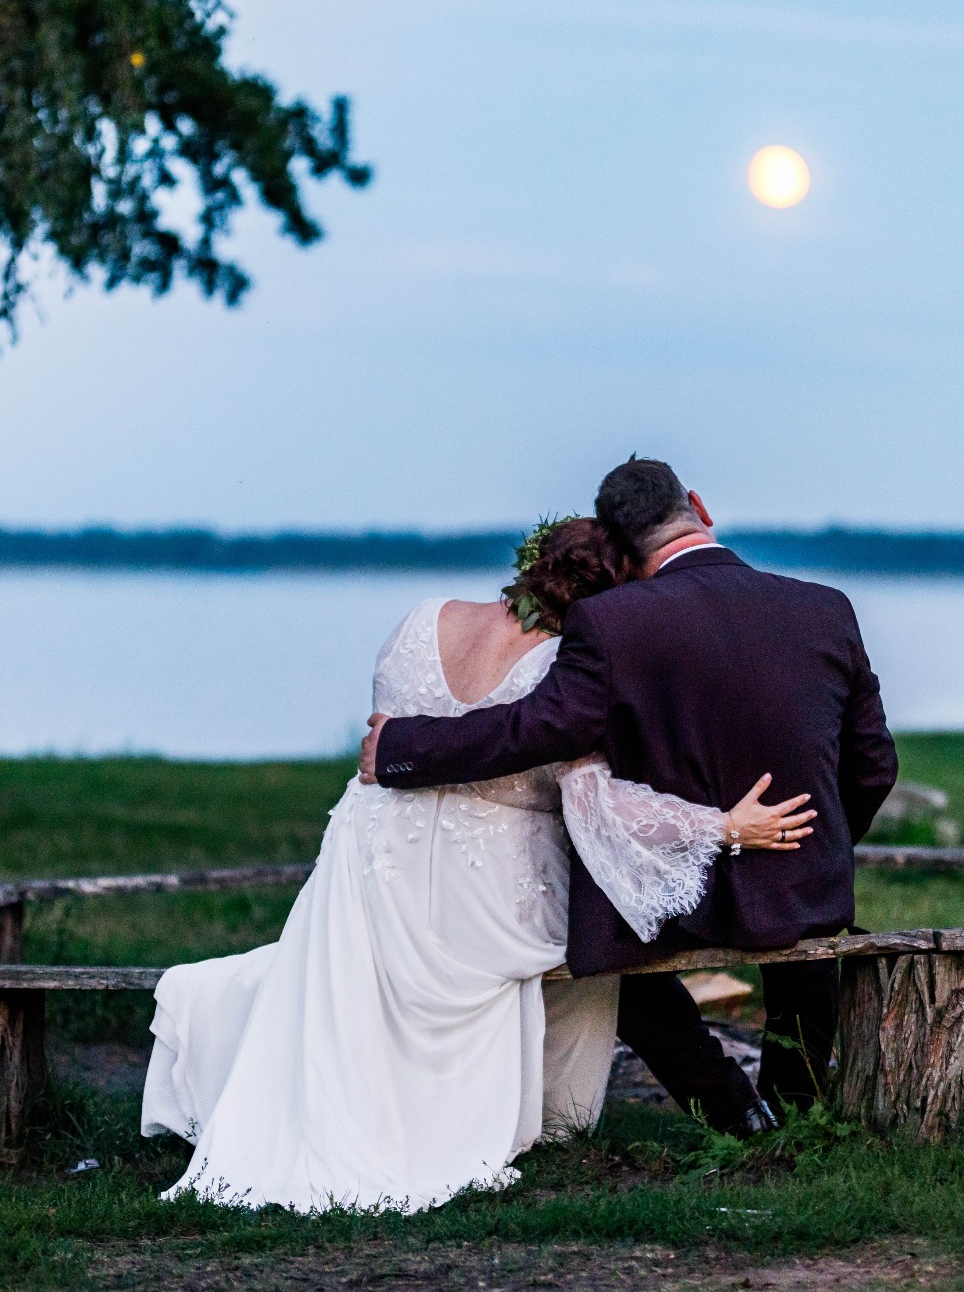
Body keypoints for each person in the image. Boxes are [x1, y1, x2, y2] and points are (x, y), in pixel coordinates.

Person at [142, 516, 815, 1213]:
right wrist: (723, 825)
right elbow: (599, 808)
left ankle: (729, 1103)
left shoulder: (421, 619)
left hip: (368, 863)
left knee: (590, 925)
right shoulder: (571, 668)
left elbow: (392, 735)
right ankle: (726, 1108)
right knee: (605, 927)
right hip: (485, 884)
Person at [364, 458, 898, 1135]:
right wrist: (812, 845)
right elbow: (874, 765)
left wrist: (402, 744)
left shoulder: (608, 622)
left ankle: (733, 1111)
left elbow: (536, 729)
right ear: (698, 505)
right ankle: (796, 1108)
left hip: (676, 900)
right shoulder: (826, 608)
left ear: (619, 544)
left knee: (609, 936)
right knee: (805, 914)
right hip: (798, 881)